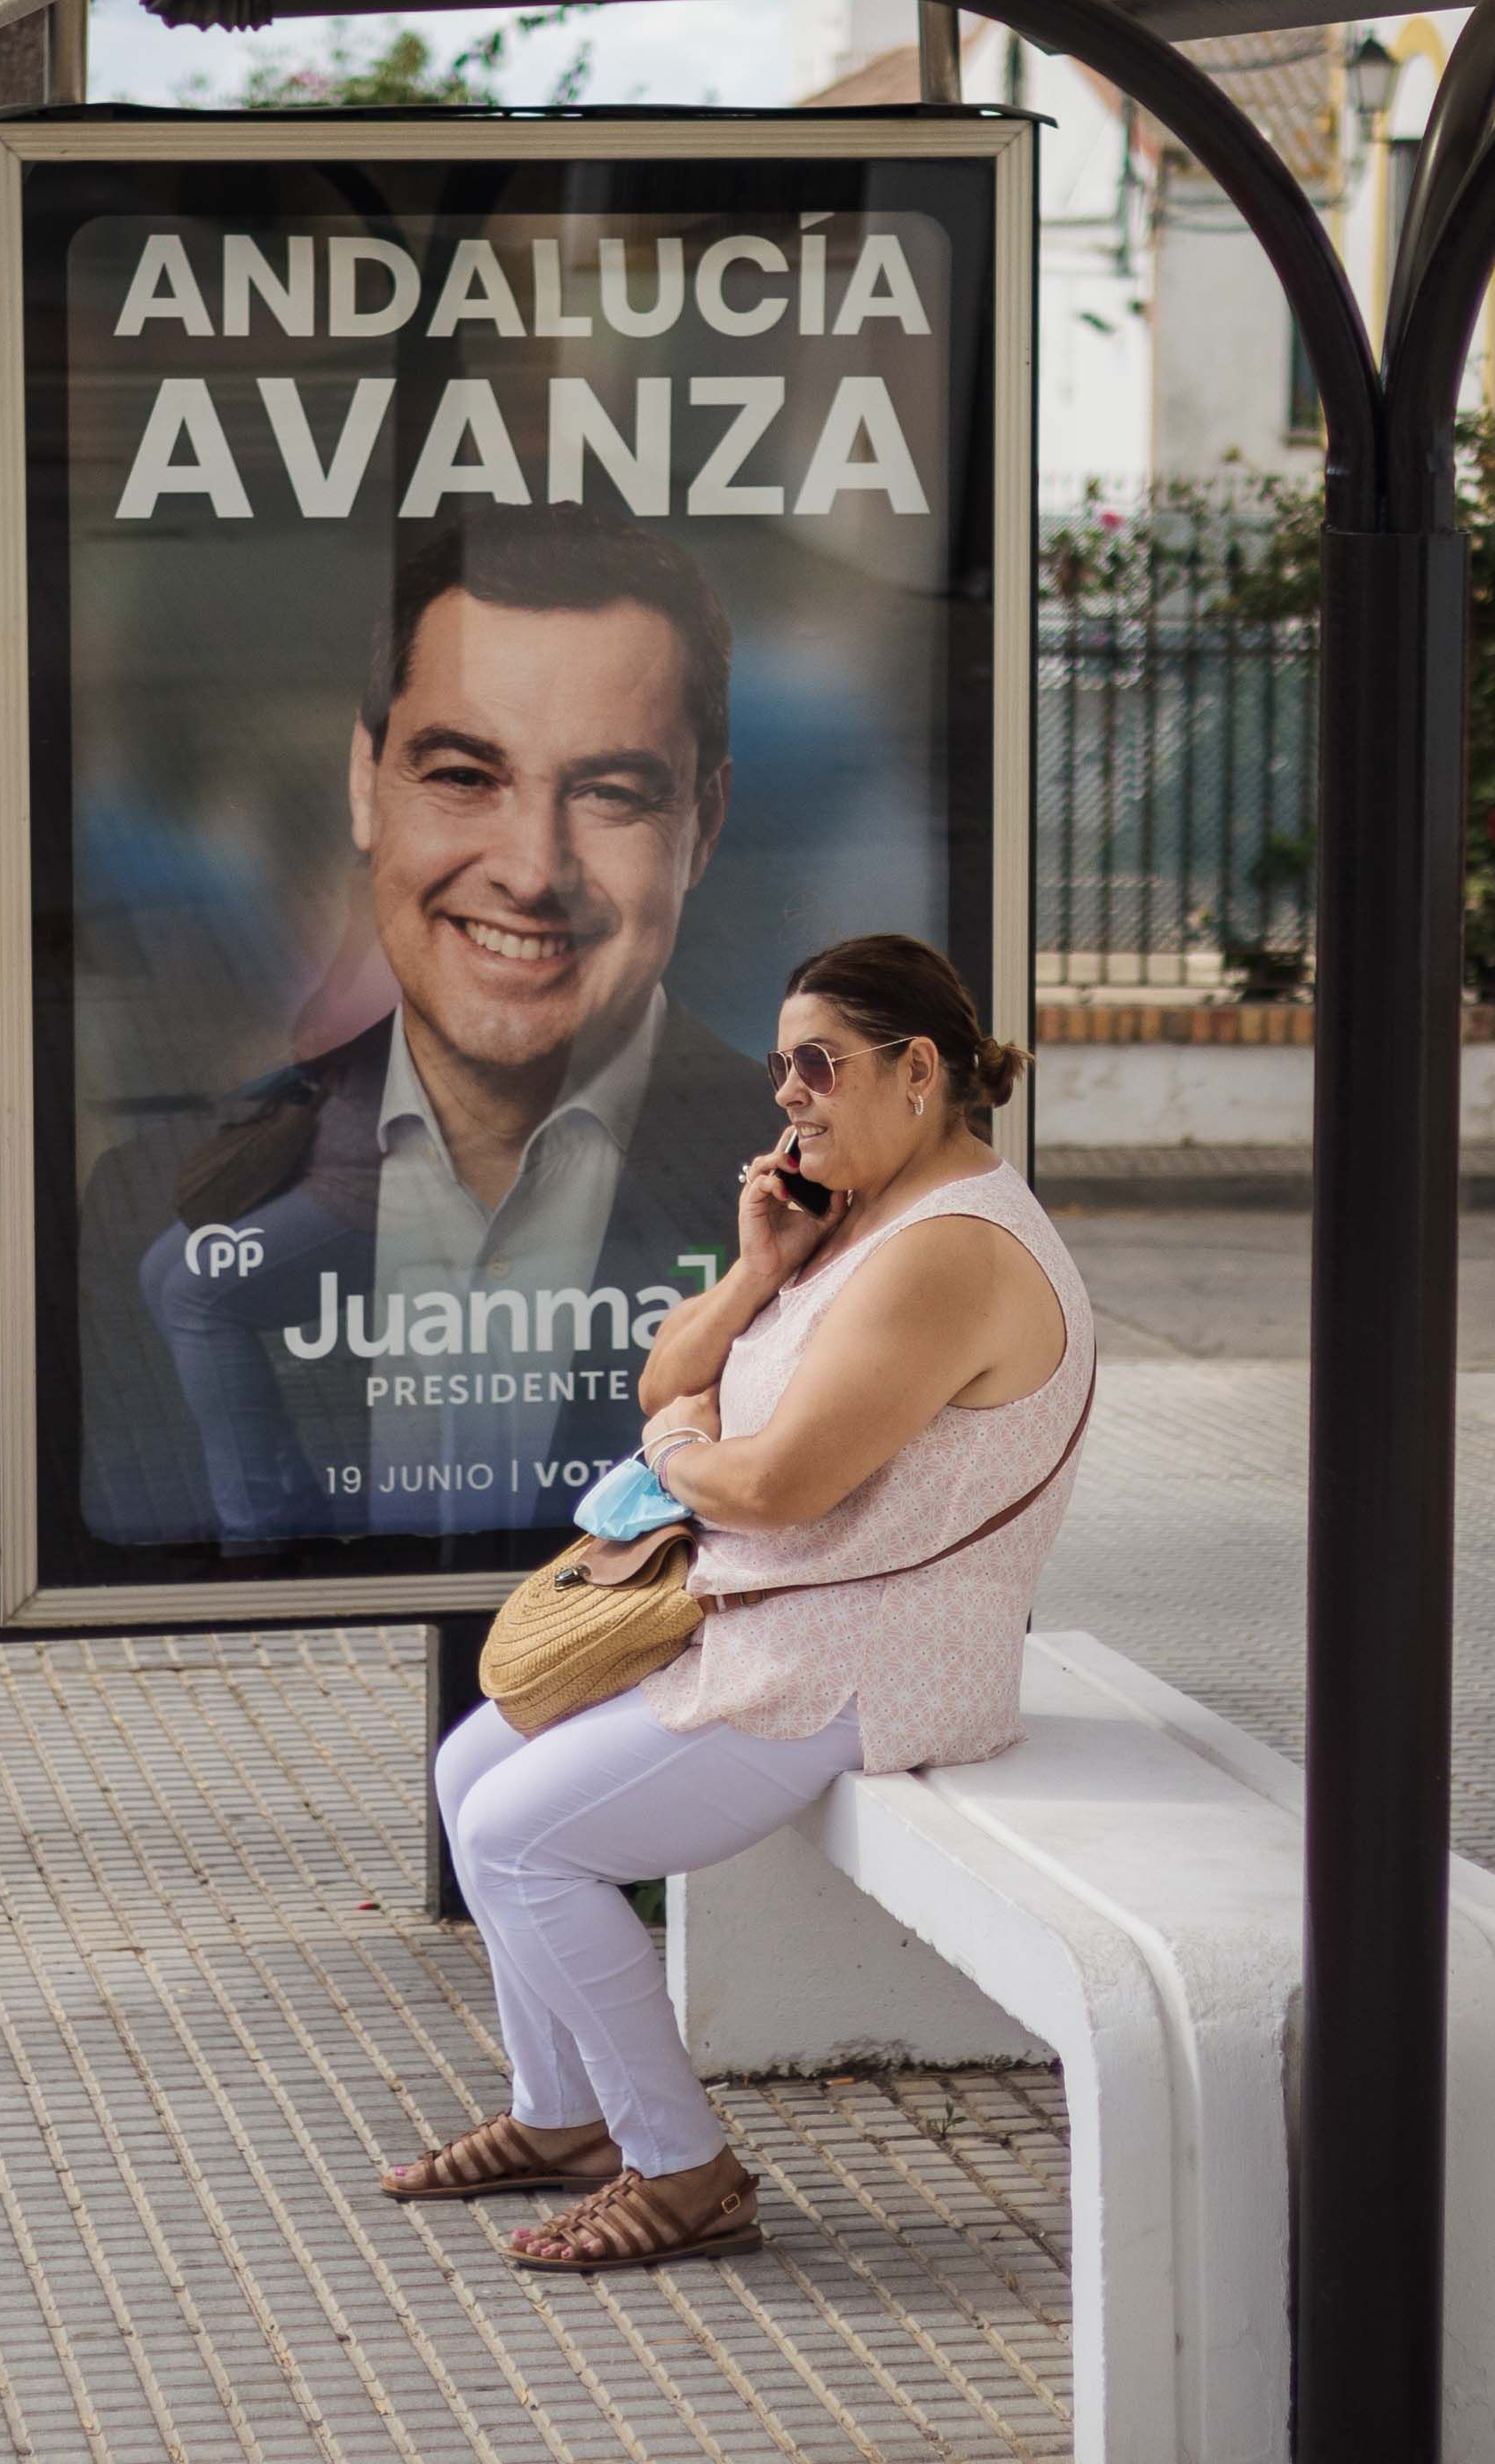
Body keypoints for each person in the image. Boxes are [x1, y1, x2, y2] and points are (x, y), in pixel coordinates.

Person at [382, 933, 1094, 2273]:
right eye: (781, 1066)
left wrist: (676, 1463)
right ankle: (563, 2116)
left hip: (872, 1655)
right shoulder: (858, 1216)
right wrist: (762, 1271)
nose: (789, 1097)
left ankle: (682, 2167)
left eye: (817, 1065)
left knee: (530, 1838)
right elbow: (670, 1378)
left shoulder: (948, 1252)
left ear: (918, 1070)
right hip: (772, 1620)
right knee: (474, 1762)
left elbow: (773, 1482)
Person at [79, 510, 782, 1549]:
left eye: (611, 791)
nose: (532, 871)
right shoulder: (146, 1212)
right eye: (463, 776)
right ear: (366, 786)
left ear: (704, 827)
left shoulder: (837, 1209)